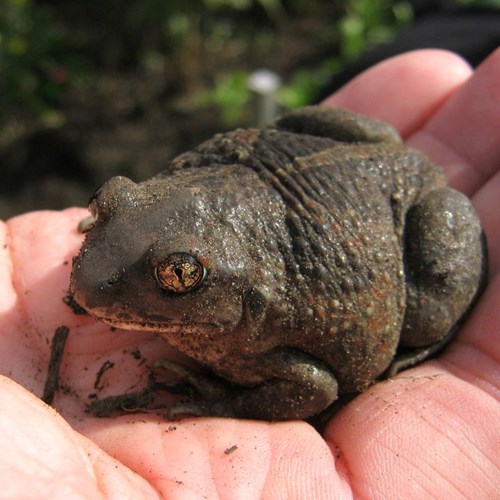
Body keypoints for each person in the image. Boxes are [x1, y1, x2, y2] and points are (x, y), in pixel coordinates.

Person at [0, 49, 498, 497]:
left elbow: (315, 385)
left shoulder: (256, 331)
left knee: (427, 318)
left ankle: (436, 331)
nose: (93, 272)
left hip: (396, 213)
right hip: (321, 168)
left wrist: (228, 400)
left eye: (177, 276)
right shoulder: (172, 191)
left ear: (225, 290)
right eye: (107, 209)